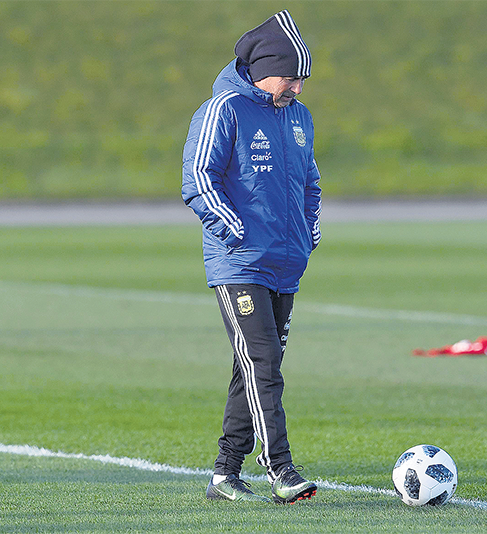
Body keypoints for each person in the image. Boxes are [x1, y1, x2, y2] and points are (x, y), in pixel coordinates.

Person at [181, 9, 322, 504]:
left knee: (255, 366)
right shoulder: (224, 110)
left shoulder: (299, 117)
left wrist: (309, 230)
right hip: (238, 263)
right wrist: (235, 231)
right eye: (292, 77)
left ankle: (225, 474)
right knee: (263, 361)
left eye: (302, 80)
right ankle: (279, 469)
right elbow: (199, 179)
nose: (297, 89)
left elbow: (310, 184)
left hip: (286, 263)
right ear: (264, 69)